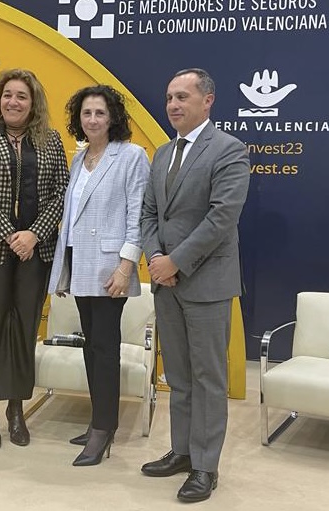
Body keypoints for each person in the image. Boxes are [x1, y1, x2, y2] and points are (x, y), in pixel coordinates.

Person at [140, 68, 250, 502]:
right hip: (165, 282)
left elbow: (221, 218)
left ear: (208, 100)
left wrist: (176, 262)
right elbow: (150, 214)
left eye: (182, 96)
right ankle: (182, 451)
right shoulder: (163, 153)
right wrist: (155, 258)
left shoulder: (229, 149)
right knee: (180, 376)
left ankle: (205, 466)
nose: (173, 104)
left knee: (207, 378)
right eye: (170, 97)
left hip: (206, 283)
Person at [0, 68, 69, 450]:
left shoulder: (51, 140)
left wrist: (33, 234)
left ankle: (16, 408)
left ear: (33, 102)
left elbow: (62, 192)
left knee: (24, 328)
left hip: (35, 252)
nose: (13, 102)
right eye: (7, 94)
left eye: (21, 95)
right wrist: (10, 234)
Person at [48, 85, 149, 466]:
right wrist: (65, 271)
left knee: (105, 348)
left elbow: (138, 215)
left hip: (110, 268)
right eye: (87, 113)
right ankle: (97, 422)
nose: (92, 120)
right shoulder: (79, 159)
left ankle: (104, 430)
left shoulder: (131, 156)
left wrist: (126, 266)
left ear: (113, 118)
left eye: (100, 113)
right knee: (91, 346)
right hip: (80, 264)